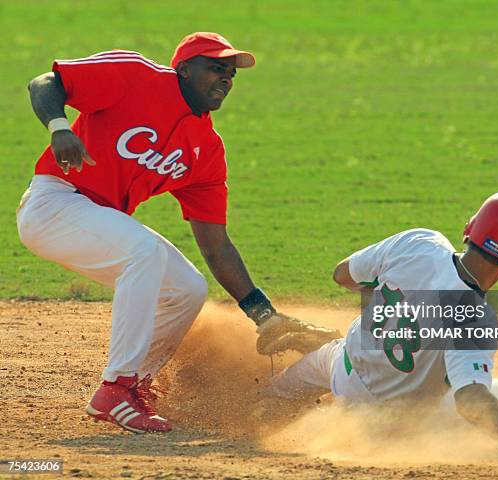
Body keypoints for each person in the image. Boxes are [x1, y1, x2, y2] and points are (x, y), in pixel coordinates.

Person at [17, 32, 338, 434]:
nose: (226, 78)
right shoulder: (136, 76)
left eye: (231, 73)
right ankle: (116, 387)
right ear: (183, 68)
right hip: (55, 203)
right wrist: (59, 126)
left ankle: (136, 383)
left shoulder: (206, 149)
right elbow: (45, 83)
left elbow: (217, 246)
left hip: (97, 217)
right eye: (215, 67)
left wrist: (264, 315)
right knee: (144, 252)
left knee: (186, 287)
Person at [261, 191, 498, 446]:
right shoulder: (475, 316)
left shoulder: (419, 243)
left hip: (340, 367)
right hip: (381, 424)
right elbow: (469, 398)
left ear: (471, 228)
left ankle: (248, 414)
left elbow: (342, 274)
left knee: (269, 398)